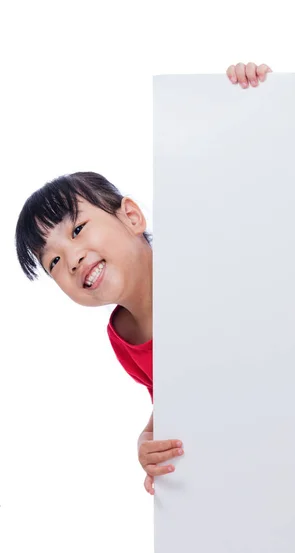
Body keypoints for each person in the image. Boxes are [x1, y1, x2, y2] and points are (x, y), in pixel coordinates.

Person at [15, 61, 273, 495]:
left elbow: (249, 194)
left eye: (78, 230)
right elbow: (174, 399)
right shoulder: (124, 336)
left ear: (131, 216)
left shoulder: (203, 258)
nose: (72, 258)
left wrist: (243, 97)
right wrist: (146, 440)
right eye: (54, 262)